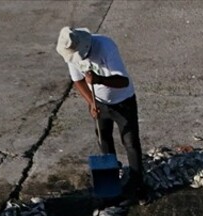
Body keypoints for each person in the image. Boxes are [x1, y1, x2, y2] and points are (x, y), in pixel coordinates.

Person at [56, 27, 145, 200]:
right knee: (103, 138)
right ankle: (110, 179)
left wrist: (99, 79)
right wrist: (91, 102)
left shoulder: (106, 47)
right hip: (99, 103)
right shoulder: (71, 52)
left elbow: (123, 81)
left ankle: (137, 183)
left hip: (123, 101)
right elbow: (78, 81)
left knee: (131, 142)